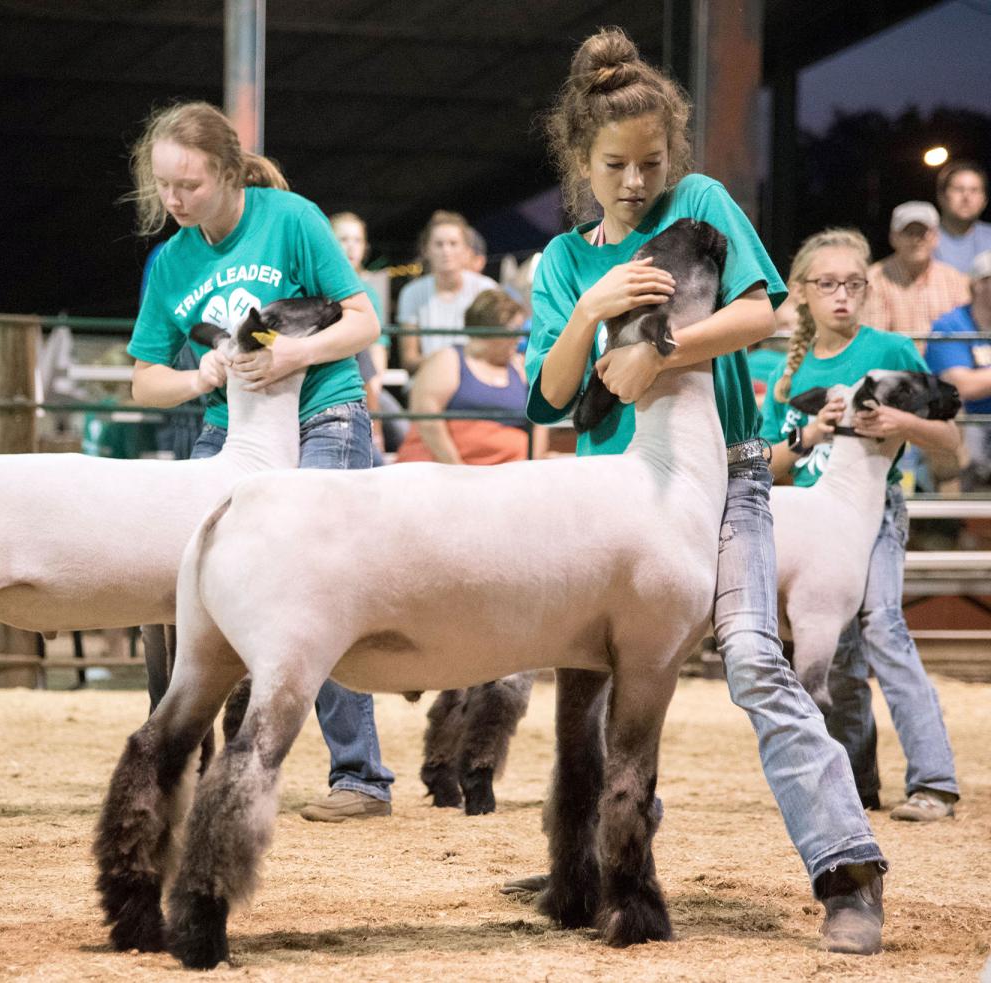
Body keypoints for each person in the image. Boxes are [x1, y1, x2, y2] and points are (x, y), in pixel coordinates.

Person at [519, 27, 886, 954]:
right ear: (580, 162)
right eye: (614, 165)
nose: (636, 181)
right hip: (614, 493)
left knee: (758, 657)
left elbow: (765, 310)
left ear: (670, 156)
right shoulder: (565, 262)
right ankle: (591, 872)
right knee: (585, 691)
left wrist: (661, 346)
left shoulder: (703, 205)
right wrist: (599, 313)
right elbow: (554, 395)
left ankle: (848, 870)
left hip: (724, 481)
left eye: (650, 162)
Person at [125, 100, 394, 822]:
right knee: (183, 578)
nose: (175, 201)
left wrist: (295, 354)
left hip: (325, 408)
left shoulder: (292, 218)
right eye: (165, 186)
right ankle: (172, 757)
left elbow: (363, 317)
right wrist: (200, 377)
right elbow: (144, 377)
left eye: (190, 186)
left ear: (229, 174)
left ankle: (361, 775)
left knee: (321, 583)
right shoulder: (171, 259)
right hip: (231, 428)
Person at [760, 228, 961, 823]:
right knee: (837, 656)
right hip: (815, 520)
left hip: (874, 515)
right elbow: (771, 461)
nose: (842, 296)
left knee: (882, 626)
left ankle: (935, 781)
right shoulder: (788, 376)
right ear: (801, 293)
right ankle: (855, 783)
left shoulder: (892, 351)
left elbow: (949, 437)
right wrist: (814, 432)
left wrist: (899, 420)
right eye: (828, 285)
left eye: (853, 284)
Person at [396, 288, 547, 463]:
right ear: (492, 329)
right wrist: (457, 469)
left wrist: (531, 464)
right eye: (514, 330)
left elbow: (539, 421)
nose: (519, 339)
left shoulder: (519, 367)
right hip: (449, 470)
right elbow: (427, 418)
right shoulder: (448, 359)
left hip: (507, 472)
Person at [329, 211, 405, 458]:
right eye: (343, 239)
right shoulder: (320, 283)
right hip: (336, 377)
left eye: (357, 240)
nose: (351, 246)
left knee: (405, 429)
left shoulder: (369, 292)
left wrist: (374, 383)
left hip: (367, 379)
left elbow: (378, 343)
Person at [395, 210, 498, 373]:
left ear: (466, 249)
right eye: (439, 244)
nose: (446, 251)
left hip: (477, 381)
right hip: (428, 380)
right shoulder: (411, 293)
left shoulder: (487, 289)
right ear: (425, 250)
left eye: (453, 243)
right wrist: (446, 365)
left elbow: (496, 348)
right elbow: (409, 359)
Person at [926, 249, 991, 489]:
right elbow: (961, 385)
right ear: (978, 285)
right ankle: (958, 518)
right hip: (967, 420)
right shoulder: (951, 324)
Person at [863, 201, 969, 340]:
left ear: (936, 238)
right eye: (908, 232)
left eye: (923, 233)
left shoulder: (955, 280)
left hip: (945, 360)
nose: (916, 240)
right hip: (895, 360)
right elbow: (874, 340)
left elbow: (965, 334)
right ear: (893, 238)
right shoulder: (873, 279)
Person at [935, 160, 991, 274]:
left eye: (974, 190)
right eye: (958, 189)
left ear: (985, 200)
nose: (966, 197)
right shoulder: (923, 239)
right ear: (941, 196)